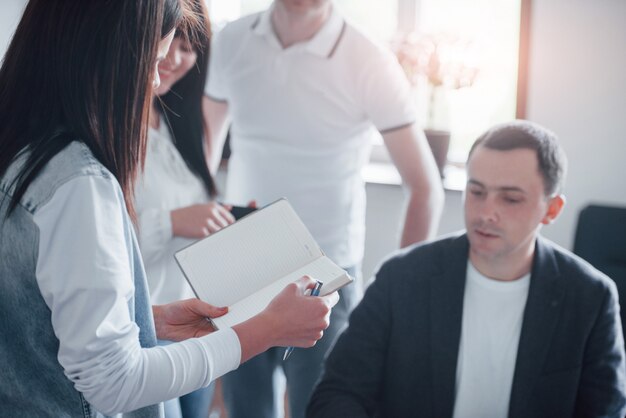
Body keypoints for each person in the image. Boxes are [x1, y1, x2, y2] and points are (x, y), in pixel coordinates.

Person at [0, 1, 339, 417]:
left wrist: (146, 319)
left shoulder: (24, 152)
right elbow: (114, 382)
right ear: (109, 53)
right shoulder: (79, 185)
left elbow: (33, 315)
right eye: (155, 59)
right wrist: (266, 329)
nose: (158, 77)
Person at [203, 1, 444, 417]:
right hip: (242, 271)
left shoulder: (368, 57)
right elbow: (203, 152)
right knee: (244, 410)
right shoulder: (230, 40)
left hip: (325, 277)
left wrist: (399, 294)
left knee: (319, 408)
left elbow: (425, 187)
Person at [307, 120, 626, 418]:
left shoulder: (590, 298)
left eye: (510, 199)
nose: (486, 213)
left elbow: (605, 411)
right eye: (477, 192)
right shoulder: (401, 278)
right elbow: (336, 394)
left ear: (551, 209)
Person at [133, 1, 233, 416]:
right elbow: (97, 243)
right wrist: (174, 222)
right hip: (147, 328)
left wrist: (223, 219)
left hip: (195, 325)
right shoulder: (107, 129)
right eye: (168, 43)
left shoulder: (176, 120)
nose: (174, 59)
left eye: (188, 47)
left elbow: (191, 211)